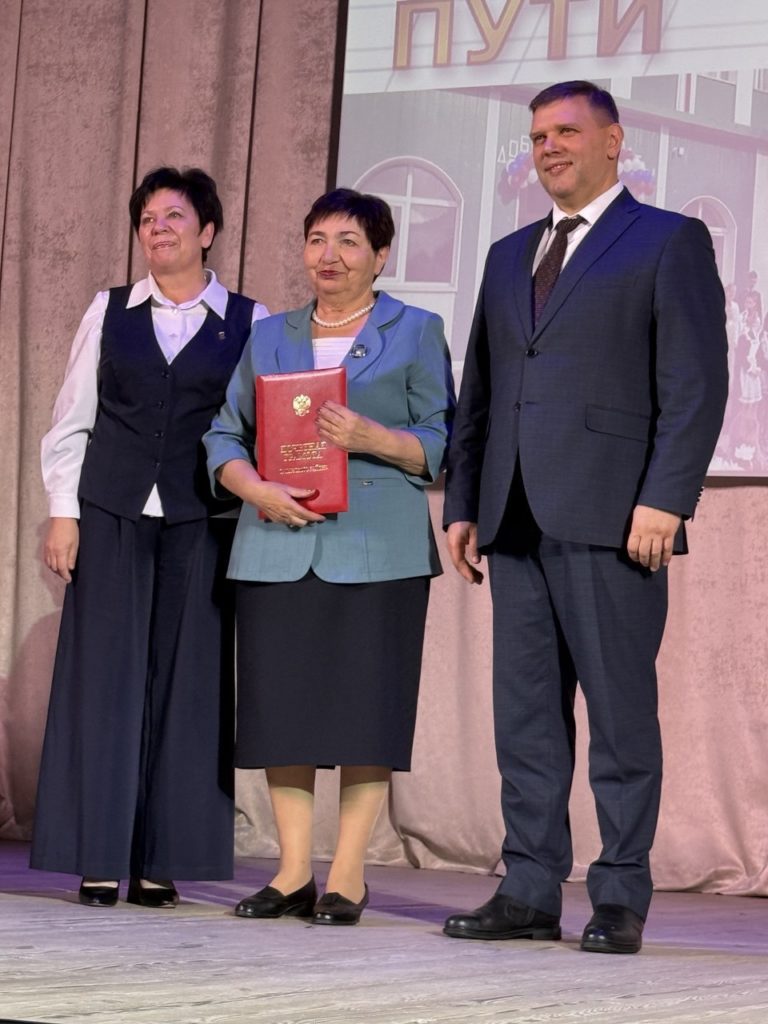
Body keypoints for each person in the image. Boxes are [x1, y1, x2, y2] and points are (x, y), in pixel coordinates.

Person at [442, 81, 728, 954]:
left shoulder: (668, 239)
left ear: (614, 141)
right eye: (537, 136)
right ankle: (529, 889)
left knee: (619, 719)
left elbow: (696, 383)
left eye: (566, 131)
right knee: (526, 719)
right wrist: (464, 503)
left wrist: (666, 497)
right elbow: (480, 391)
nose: (549, 148)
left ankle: (620, 895)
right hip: (513, 516)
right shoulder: (507, 254)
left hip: (615, 518)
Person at [204, 187, 454, 926]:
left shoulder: (417, 330)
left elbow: (442, 438)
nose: (330, 255)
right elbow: (224, 433)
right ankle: (290, 873)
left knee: (364, 712)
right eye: (317, 239)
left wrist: (376, 439)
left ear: (381, 255)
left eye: (348, 241)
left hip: (379, 550)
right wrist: (252, 487)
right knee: (282, 711)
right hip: (274, 543)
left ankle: (347, 874)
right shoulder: (268, 335)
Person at [31, 167, 269, 907]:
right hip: (111, 510)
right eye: (147, 219)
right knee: (103, 682)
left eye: (173, 217)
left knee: (189, 684)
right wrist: (63, 511)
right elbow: (73, 416)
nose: (157, 229)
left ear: (208, 231)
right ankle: (99, 855)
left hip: (204, 520)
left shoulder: (250, 320)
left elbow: (260, 426)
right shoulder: (109, 311)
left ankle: (164, 858)